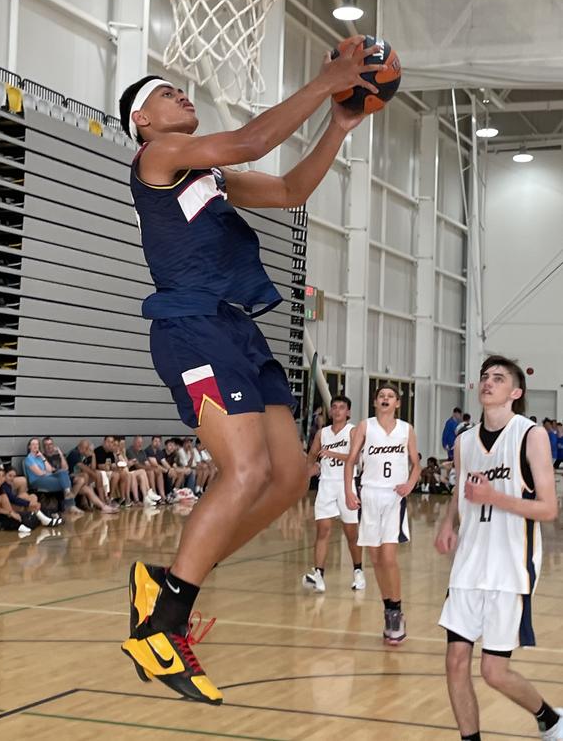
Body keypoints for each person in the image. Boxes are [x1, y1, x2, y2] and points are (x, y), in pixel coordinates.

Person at [117, 37, 381, 704]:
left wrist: (339, 122)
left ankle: (166, 584)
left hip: (236, 326)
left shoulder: (210, 178)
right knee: (247, 470)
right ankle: (165, 622)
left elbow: (292, 187)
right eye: (163, 93)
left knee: (290, 475)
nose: (181, 93)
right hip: (191, 325)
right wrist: (328, 80)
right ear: (143, 122)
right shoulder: (159, 156)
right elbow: (250, 139)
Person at [435, 356, 562, 741]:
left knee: (493, 672)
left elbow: (548, 509)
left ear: (516, 392)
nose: (488, 383)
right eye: (484, 377)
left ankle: (550, 719)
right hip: (468, 566)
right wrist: (447, 523)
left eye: (499, 378)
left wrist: (494, 496)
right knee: (456, 662)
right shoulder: (464, 441)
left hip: (510, 568)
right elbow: (460, 495)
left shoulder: (531, 436)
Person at [345, 383, 420, 645]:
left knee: (388, 556)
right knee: (375, 559)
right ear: (375, 402)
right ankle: (388, 609)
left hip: (393, 496)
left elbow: (416, 463)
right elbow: (351, 460)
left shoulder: (406, 429)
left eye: (390, 396)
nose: (385, 399)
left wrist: (410, 483)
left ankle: (397, 611)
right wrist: (348, 491)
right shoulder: (365, 427)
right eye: (381, 396)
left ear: (397, 403)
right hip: (369, 495)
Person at [302, 395, 365, 593]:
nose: (337, 410)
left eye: (341, 407)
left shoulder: (353, 431)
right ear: (330, 411)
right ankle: (319, 575)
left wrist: (331, 454)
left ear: (348, 412)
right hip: (326, 485)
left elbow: (354, 460)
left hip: (346, 485)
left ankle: (358, 571)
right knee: (323, 531)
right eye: (334, 407)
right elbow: (312, 456)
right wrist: (307, 470)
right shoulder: (323, 433)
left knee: (351, 533)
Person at [24, 438, 79, 511]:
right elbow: (39, 473)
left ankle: (68, 495)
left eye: (37, 444)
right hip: (37, 481)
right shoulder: (29, 459)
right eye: (33, 444)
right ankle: (70, 504)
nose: (35, 446)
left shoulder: (39, 457)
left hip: (47, 477)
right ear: (29, 447)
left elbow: (49, 469)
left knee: (63, 472)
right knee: (66, 483)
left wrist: (42, 457)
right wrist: (45, 472)